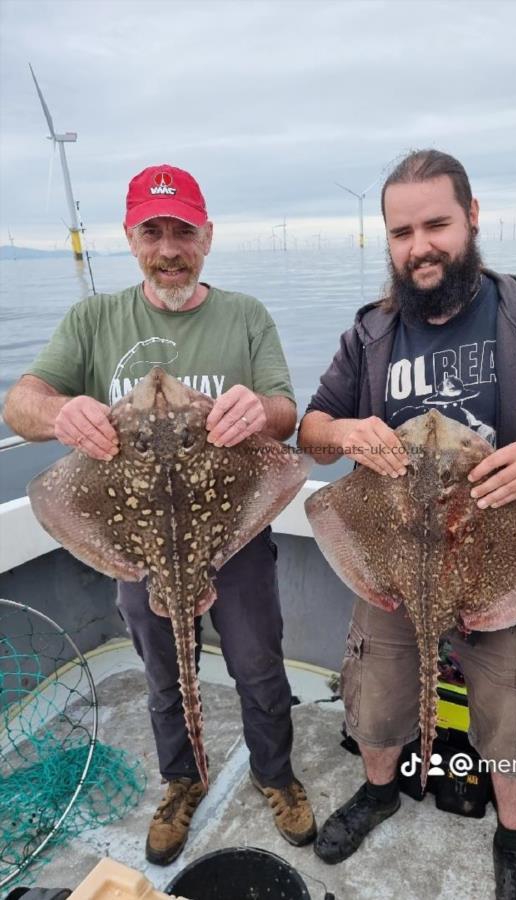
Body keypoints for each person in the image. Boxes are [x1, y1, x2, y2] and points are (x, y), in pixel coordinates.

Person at [298, 149, 516, 900]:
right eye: (400, 232)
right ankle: (380, 791)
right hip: (392, 559)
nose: (418, 246)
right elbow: (311, 429)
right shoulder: (371, 334)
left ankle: (511, 837)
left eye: (435, 224)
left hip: (503, 559)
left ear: (472, 218)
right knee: (378, 689)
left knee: (510, 709)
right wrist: (347, 431)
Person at [3, 164, 316, 866]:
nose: (169, 248)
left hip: (233, 541)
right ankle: (181, 782)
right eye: (153, 231)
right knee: (162, 673)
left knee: (259, 668)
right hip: (136, 545)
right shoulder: (94, 319)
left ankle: (275, 775)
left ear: (207, 237)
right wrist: (61, 412)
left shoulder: (244, 315)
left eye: (184, 232)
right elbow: (19, 406)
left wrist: (258, 411)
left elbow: (287, 415)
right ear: (130, 237)